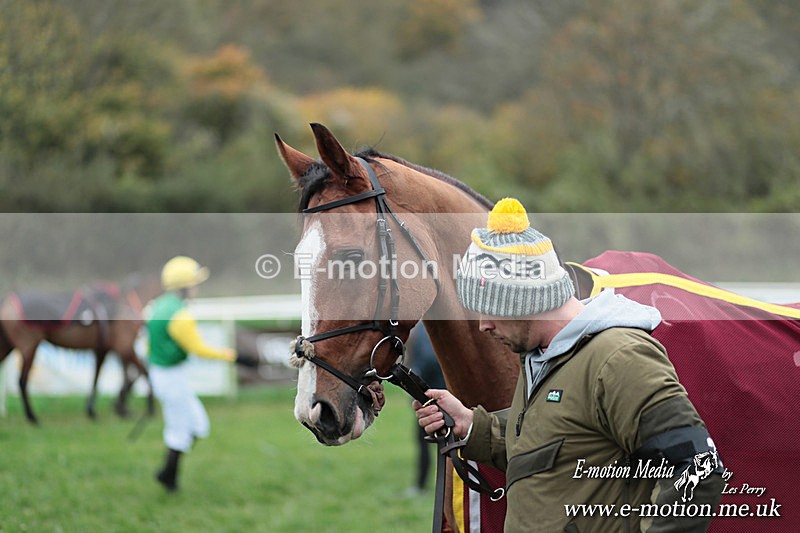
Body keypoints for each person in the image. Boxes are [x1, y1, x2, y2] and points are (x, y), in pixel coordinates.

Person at [414, 199, 724, 532]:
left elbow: (697, 469)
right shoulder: (543, 357)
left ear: (524, 300)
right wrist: (472, 426)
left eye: (489, 309)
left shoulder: (619, 358)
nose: (484, 326)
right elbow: (557, 448)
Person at [147, 256, 251, 492]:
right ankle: (169, 477)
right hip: (170, 377)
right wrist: (234, 357)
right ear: (183, 286)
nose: (197, 287)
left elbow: (149, 344)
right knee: (180, 429)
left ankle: (167, 471)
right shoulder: (180, 315)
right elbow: (198, 349)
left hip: (165, 374)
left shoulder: (159, 305)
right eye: (194, 283)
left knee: (198, 425)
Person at [405, 322, 446, 496]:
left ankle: (436, 487)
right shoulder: (422, 327)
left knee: (438, 445)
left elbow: (428, 359)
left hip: (433, 395)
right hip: (435, 394)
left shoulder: (425, 328)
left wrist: (416, 376)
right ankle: (426, 485)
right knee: (426, 442)